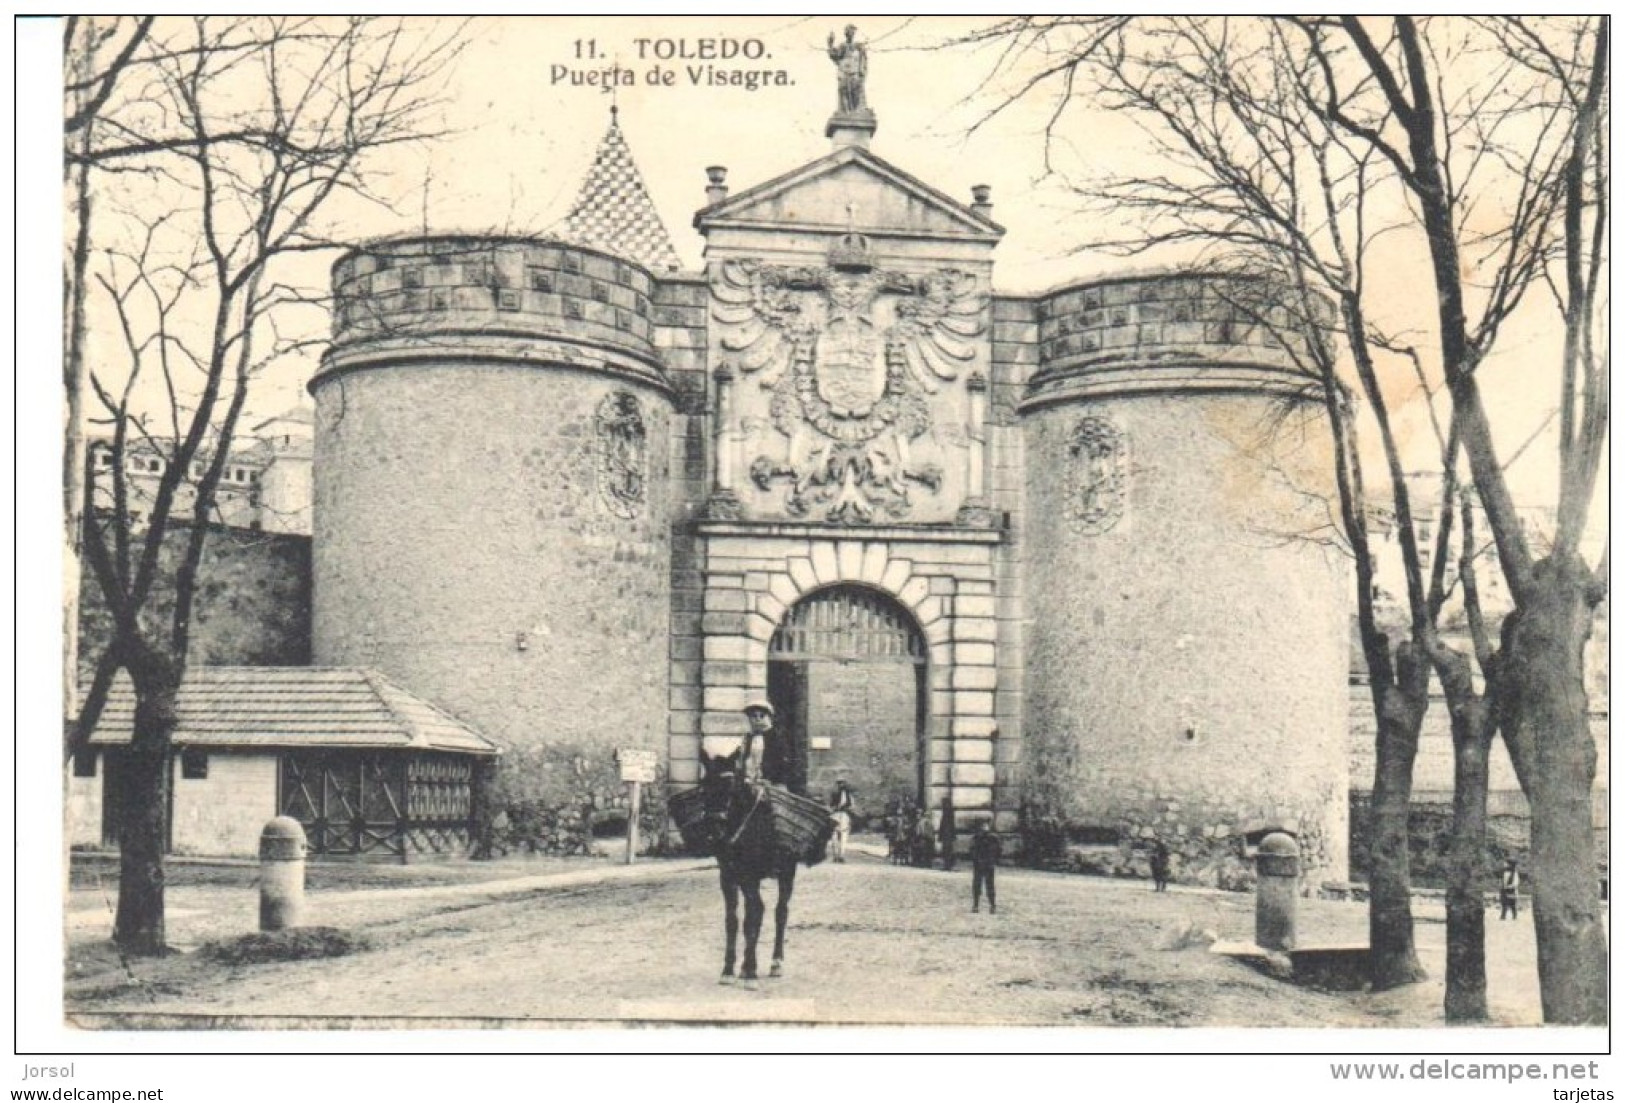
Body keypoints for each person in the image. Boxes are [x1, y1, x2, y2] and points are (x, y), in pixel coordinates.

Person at [739, 699, 795, 792]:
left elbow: (784, 763)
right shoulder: (748, 738)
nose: (758, 719)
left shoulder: (776, 738)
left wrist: (772, 779)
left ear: (769, 718)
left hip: (771, 785)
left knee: (776, 804)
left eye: (761, 716)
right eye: (753, 716)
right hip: (749, 784)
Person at [826, 25, 867, 115]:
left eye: (852, 32)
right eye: (848, 32)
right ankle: (845, 112)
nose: (850, 34)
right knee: (844, 91)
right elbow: (834, 55)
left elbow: (863, 61)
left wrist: (862, 72)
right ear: (846, 34)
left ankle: (856, 112)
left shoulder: (858, 47)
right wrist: (830, 44)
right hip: (844, 72)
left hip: (855, 73)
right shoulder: (842, 46)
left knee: (855, 93)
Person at [971, 822, 1002, 913]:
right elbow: (999, 851)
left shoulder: (979, 838)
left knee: (983, 885)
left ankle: (983, 906)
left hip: (983, 864)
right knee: (985, 885)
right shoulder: (992, 838)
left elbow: (971, 851)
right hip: (985, 864)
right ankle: (985, 906)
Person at [828, 779, 855, 863]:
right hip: (841, 815)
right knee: (841, 835)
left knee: (836, 836)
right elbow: (852, 807)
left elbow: (831, 806)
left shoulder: (835, 794)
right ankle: (839, 855)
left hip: (838, 815)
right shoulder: (848, 795)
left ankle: (838, 855)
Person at [937, 794, 957, 872]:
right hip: (947, 834)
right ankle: (947, 865)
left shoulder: (947, 813)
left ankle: (947, 865)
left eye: (943, 803)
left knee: (947, 851)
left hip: (947, 835)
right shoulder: (948, 812)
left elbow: (945, 825)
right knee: (947, 850)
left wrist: (941, 835)